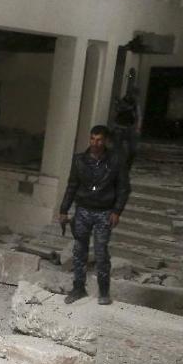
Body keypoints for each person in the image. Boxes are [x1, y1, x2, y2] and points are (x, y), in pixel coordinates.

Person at [57, 125, 131, 306]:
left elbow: (123, 188)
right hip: (83, 209)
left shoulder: (115, 160)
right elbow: (72, 185)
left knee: (101, 252)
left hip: (104, 211)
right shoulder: (79, 160)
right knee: (79, 251)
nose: (95, 143)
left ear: (105, 141)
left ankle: (103, 291)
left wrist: (117, 211)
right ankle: (78, 288)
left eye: (99, 140)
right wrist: (64, 209)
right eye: (92, 139)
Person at [111, 88, 139, 169]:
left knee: (133, 151)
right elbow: (118, 109)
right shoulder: (122, 102)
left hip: (129, 128)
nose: (136, 97)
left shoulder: (134, 104)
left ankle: (125, 168)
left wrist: (136, 127)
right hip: (119, 128)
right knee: (116, 150)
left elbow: (137, 116)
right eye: (134, 95)